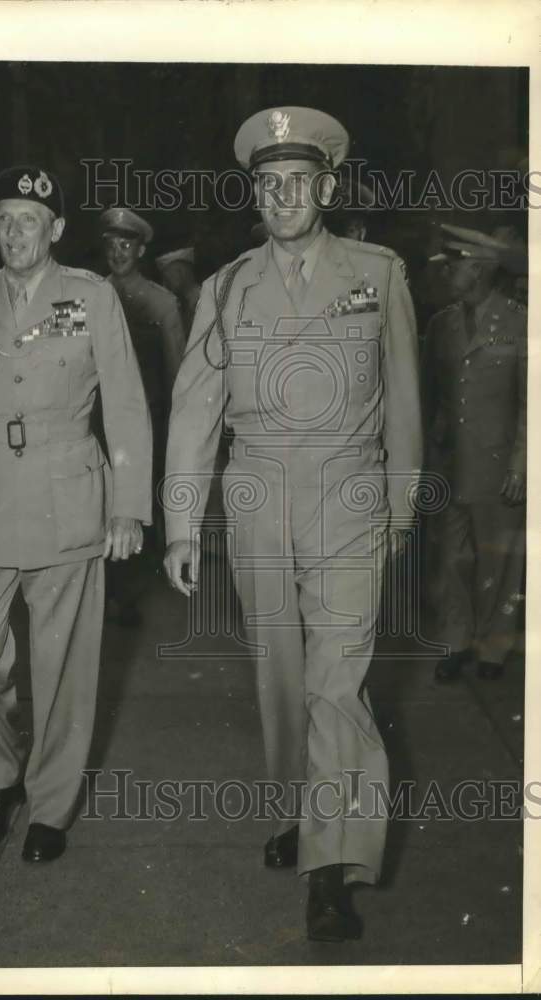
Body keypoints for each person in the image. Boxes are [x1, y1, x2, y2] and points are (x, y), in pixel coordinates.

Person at [163, 107, 421, 942]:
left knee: (333, 685)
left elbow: (408, 403)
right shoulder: (228, 286)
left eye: (298, 182)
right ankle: (294, 812)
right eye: (268, 185)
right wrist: (177, 523)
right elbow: (196, 408)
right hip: (256, 499)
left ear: (328, 187)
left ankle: (333, 865)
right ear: (255, 196)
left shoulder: (377, 274)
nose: (283, 197)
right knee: (280, 676)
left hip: (348, 497)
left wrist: (401, 506)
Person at [0, 166, 152, 863]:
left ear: (56, 231)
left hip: (68, 497)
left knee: (64, 667)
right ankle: (2, 774)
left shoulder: (91, 296)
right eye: (6, 220)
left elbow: (128, 406)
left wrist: (130, 507)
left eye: (31, 220)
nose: (17, 232)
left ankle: (49, 804)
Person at [424, 223, 526, 682]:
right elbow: (431, 397)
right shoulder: (441, 325)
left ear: (482, 268)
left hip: (498, 461)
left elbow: (531, 402)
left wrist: (523, 462)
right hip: (452, 461)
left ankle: (493, 648)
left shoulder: (520, 321)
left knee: (499, 558)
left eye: (456, 265)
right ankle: (456, 643)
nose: (448, 273)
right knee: (451, 558)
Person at [99, 207, 186, 625]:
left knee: (134, 505)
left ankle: (128, 592)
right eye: (112, 244)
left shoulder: (161, 303)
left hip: (145, 423)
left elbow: (176, 374)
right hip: (94, 422)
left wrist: (171, 433)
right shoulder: (86, 297)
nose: (118, 253)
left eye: (127, 244)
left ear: (142, 248)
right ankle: (100, 587)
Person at [155, 246, 201, 339]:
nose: (164, 285)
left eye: (167, 279)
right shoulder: (182, 306)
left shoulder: (205, 301)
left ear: (181, 273)